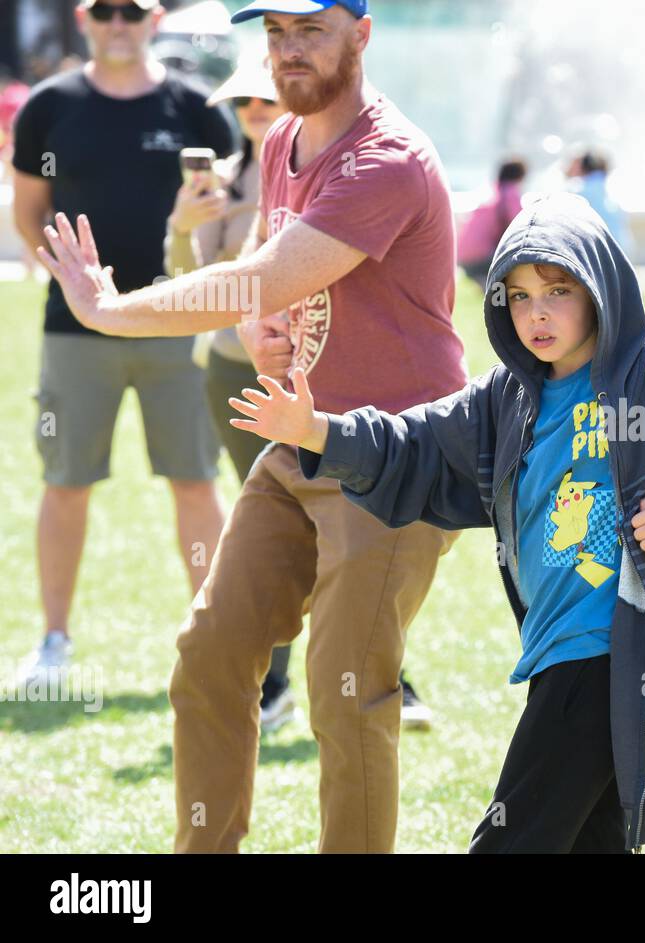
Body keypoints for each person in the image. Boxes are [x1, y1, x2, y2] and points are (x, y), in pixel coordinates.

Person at [37, 0, 469, 853]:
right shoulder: (280, 141)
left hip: (397, 457)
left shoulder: (386, 158)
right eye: (272, 33)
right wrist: (250, 328)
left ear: (362, 33)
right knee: (210, 653)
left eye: (310, 30)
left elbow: (264, 274)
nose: (288, 52)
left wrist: (114, 309)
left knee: (346, 693)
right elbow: (262, 280)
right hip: (300, 433)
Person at [229, 193, 645, 852]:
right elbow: (410, 444)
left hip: (607, 658)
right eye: (519, 295)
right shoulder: (503, 401)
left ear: (599, 285)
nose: (537, 312)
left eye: (558, 290)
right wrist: (317, 430)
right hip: (553, 654)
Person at [165, 57, 435, 735]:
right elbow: (191, 275)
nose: (257, 113)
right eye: (245, 106)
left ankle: (374, 674)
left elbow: (273, 277)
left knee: (341, 537)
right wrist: (181, 227)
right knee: (276, 543)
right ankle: (280, 682)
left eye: (264, 101)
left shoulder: (325, 162)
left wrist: (113, 309)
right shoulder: (227, 179)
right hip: (235, 372)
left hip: (312, 380)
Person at [10, 0, 237, 686]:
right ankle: (54, 643)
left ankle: (218, 640)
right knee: (66, 481)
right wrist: (82, 287)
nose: (118, 22)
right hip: (75, 329)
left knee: (196, 481)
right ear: (84, 17)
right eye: (105, 10)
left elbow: (228, 207)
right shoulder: (48, 107)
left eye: (131, 11)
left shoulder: (197, 107)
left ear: (154, 18)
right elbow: (28, 213)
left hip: (178, 323)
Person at [457, 157, 526, 291]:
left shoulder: (489, 191)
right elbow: (522, 226)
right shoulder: (510, 194)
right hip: (482, 258)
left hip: (463, 257)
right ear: (520, 176)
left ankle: (489, 286)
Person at [565, 148, 633, 257]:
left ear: (581, 166)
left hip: (596, 253)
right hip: (623, 250)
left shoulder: (577, 190)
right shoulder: (613, 188)